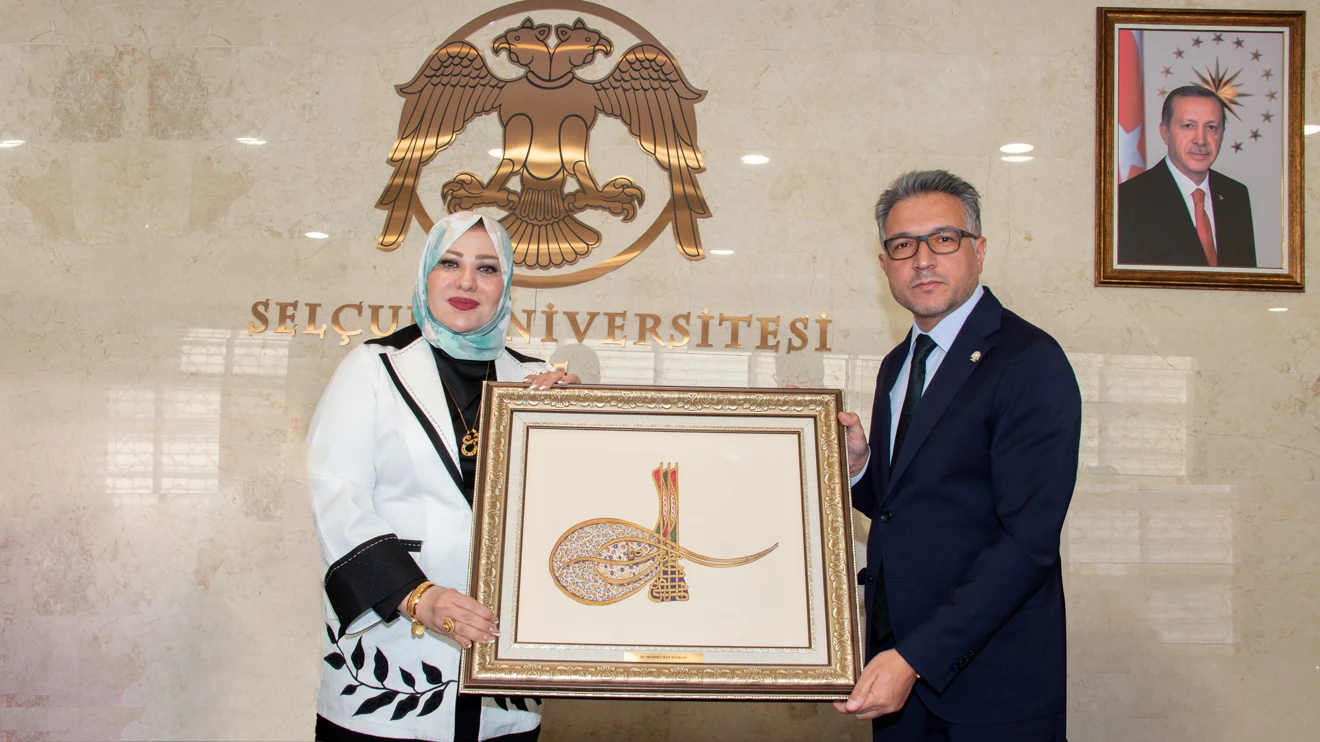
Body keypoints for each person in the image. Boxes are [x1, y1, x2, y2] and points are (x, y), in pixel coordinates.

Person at [307, 212, 578, 742]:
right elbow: (336, 496)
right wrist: (417, 596)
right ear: (426, 274)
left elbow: (569, 509)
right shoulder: (374, 367)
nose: (467, 281)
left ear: (506, 285)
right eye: (450, 263)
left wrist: (578, 423)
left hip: (503, 664)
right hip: (395, 653)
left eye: (487, 268)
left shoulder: (534, 379)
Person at [835, 170, 1081, 741]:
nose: (923, 260)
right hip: (899, 680)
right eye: (904, 245)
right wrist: (860, 469)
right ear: (884, 264)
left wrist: (915, 657)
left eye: (943, 239)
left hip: (990, 686)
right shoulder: (899, 364)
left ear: (979, 250)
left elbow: (1028, 541)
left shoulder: (1029, 360)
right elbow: (906, 509)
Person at [1117, 85, 1256, 267]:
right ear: (1165, 133)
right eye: (1188, 126)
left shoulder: (1235, 194)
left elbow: (1246, 279)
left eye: (1211, 127)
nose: (1201, 140)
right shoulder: (1128, 199)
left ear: (1222, 134)